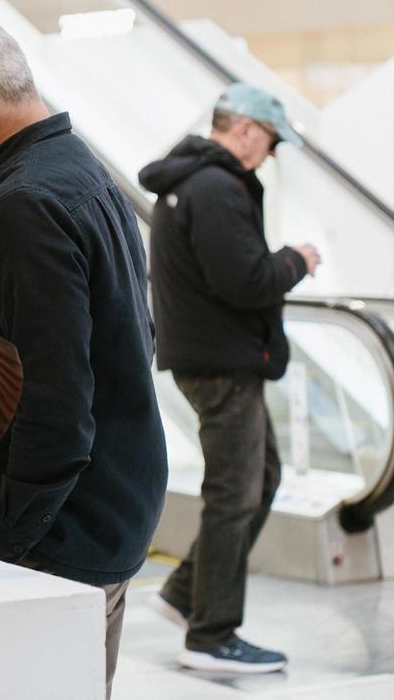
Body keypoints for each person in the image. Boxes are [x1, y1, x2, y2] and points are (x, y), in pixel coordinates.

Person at [0, 16, 167, 698]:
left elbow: (54, 404)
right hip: (101, 516)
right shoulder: (75, 168)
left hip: (55, 542)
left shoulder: (24, 205)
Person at [139, 83, 320, 674]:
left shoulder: (189, 182)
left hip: (208, 354)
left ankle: (186, 593)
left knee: (259, 476)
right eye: (268, 141)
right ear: (243, 128)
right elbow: (243, 280)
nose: (268, 155)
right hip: (222, 359)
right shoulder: (215, 187)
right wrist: (297, 260)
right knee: (236, 492)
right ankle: (212, 634)